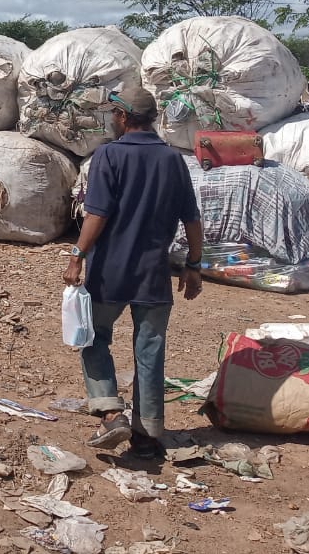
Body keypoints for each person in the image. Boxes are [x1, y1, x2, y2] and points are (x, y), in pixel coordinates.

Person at [62, 85, 204, 460]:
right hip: (154, 277)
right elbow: (192, 218)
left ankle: (110, 413)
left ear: (123, 117)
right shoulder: (173, 160)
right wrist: (193, 266)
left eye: (113, 114)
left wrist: (77, 255)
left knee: (93, 338)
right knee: (150, 352)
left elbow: (98, 214)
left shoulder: (109, 155)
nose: (111, 119)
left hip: (111, 273)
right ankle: (147, 434)